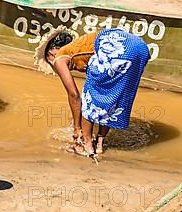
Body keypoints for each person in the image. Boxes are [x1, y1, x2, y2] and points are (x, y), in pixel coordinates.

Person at [34, 26, 150, 156]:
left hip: (119, 48)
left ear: (51, 53)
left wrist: (77, 129)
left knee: (89, 97)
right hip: (140, 48)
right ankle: (100, 143)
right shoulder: (80, 48)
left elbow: (74, 96)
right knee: (112, 95)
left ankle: (85, 145)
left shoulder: (59, 58)